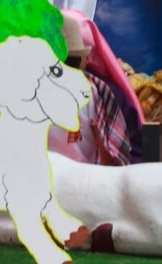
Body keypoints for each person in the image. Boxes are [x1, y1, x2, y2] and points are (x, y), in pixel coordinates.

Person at [48, 9, 144, 166]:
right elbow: (131, 153)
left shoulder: (23, 96)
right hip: (92, 184)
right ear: (85, 60)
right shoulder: (105, 95)